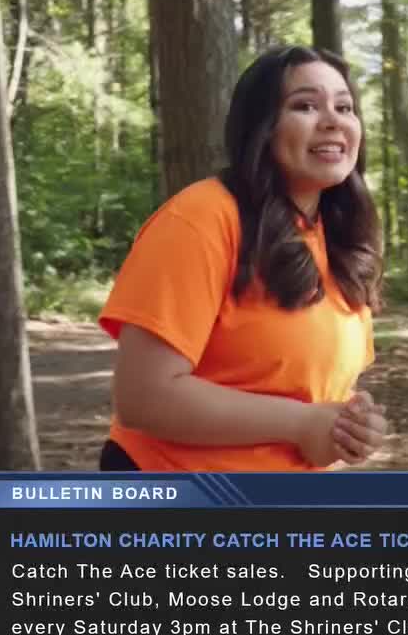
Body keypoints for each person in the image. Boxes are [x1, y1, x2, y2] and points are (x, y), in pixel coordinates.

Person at [97, 46, 387, 471]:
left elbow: (315, 399)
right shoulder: (200, 218)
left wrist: (349, 430)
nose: (332, 120)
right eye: (305, 105)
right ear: (262, 128)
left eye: (344, 106)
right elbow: (144, 396)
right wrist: (303, 423)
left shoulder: (338, 239)